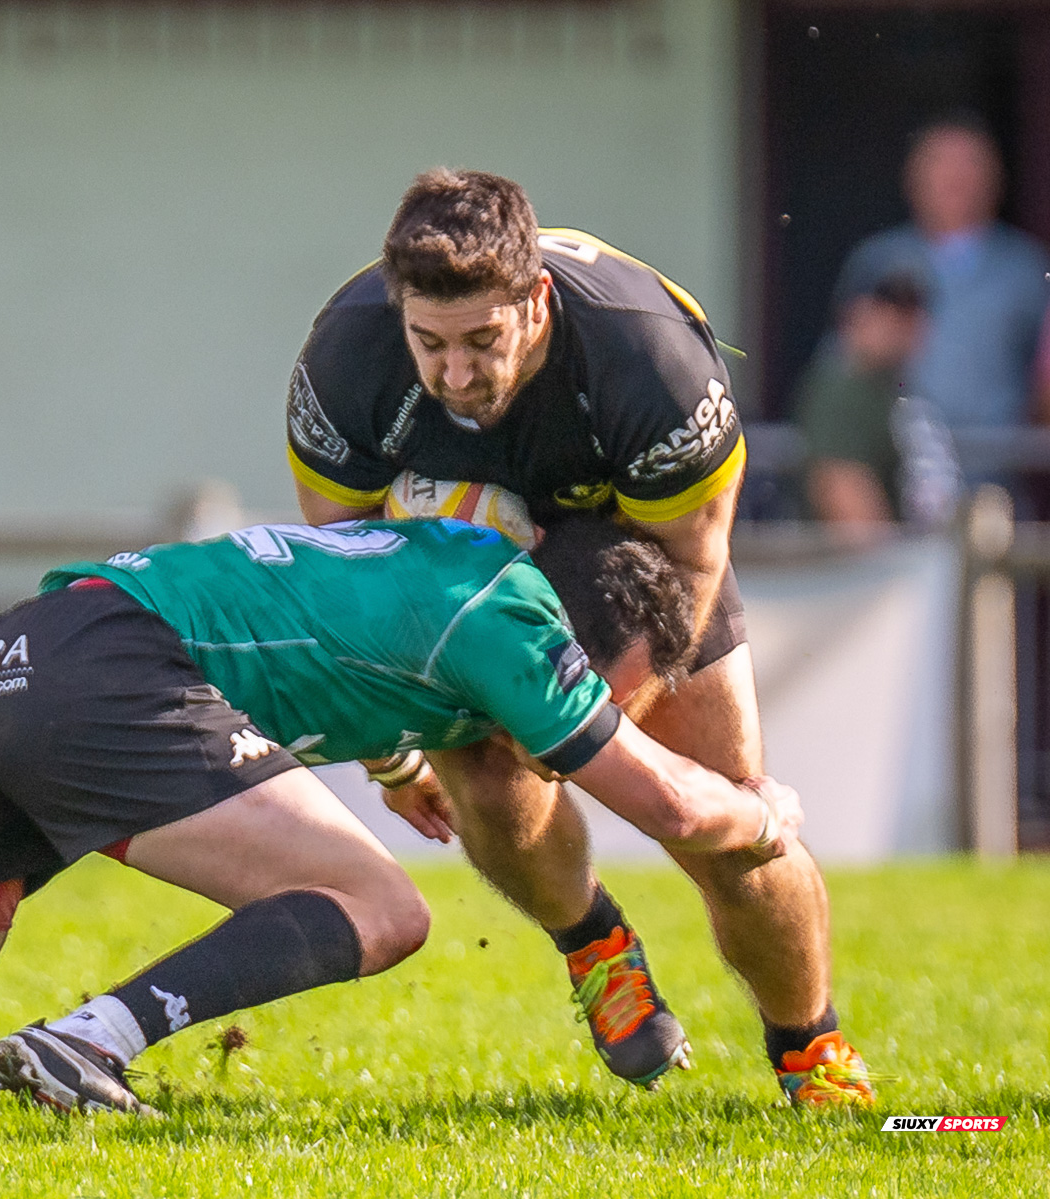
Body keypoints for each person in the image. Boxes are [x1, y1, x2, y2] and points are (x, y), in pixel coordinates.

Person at [0, 516, 821, 1113]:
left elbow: (332, 641)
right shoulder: (522, 622)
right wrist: (769, 814)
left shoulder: (445, 559)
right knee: (383, 908)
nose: (590, 721)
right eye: (622, 696)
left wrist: (408, 750)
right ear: (602, 649)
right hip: (105, 673)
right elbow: (672, 804)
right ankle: (88, 1039)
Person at [284, 168, 872, 1107]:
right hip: (464, 575)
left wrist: (580, 730)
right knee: (482, 770)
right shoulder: (347, 361)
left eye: (483, 339)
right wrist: (393, 761)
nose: (456, 375)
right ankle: (594, 942)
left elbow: (688, 571)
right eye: (429, 344)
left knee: (732, 829)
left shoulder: (650, 362)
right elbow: (341, 572)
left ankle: (815, 1052)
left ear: (537, 298)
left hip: (639, 566)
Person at [833, 116, 1048, 436]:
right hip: (897, 466)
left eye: (970, 164)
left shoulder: (1027, 267)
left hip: (998, 468)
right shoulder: (878, 261)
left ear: (997, 178)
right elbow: (840, 370)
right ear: (911, 177)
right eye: (940, 163)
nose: (955, 177)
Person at [795, 269, 931, 535]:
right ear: (855, 314)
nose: (899, 325)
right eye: (888, 310)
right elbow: (840, 489)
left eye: (909, 313)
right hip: (859, 570)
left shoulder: (891, 386)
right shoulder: (843, 388)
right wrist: (895, 568)